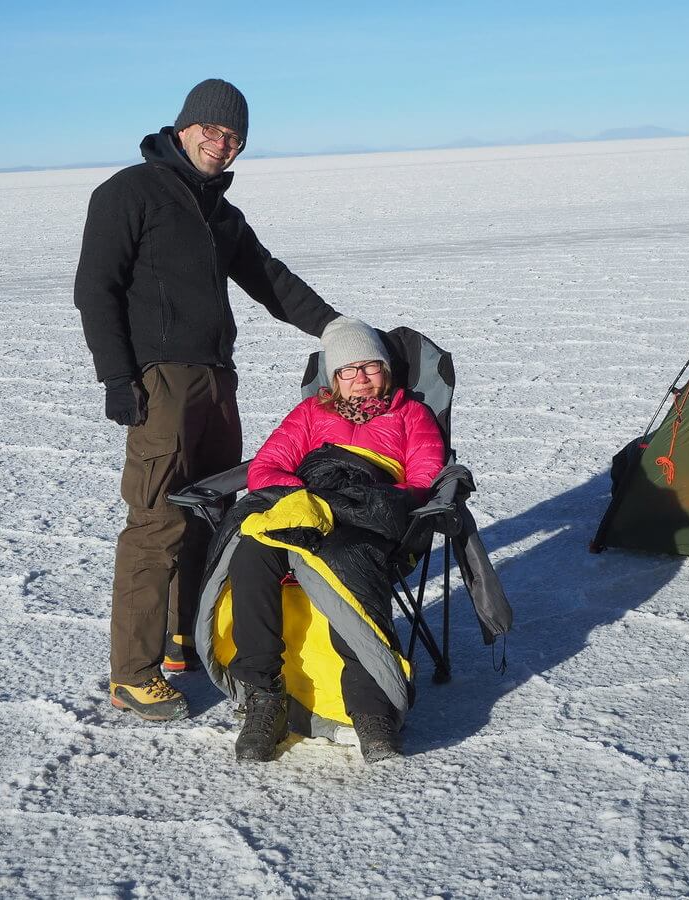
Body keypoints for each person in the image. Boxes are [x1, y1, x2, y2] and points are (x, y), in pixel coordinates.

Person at [74, 78, 340, 722]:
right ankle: (132, 674)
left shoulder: (221, 213)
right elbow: (95, 288)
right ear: (184, 127)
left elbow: (270, 279)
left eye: (235, 137)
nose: (222, 145)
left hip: (218, 379)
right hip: (160, 379)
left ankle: (180, 640)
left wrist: (337, 331)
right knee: (158, 517)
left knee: (213, 510)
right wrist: (117, 376)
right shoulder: (129, 192)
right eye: (212, 131)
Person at [225, 317, 445, 762]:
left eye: (371, 368)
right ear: (333, 378)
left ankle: (371, 710)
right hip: (305, 511)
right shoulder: (308, 415)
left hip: (371, 516)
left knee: (347, 559)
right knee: (251, 553)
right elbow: (264, 470)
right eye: (348, 370)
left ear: (387, 371)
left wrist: (359, 500)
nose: (360, 379)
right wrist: (306, 501)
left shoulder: (411, 414)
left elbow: (425, 478)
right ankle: (264, 696)